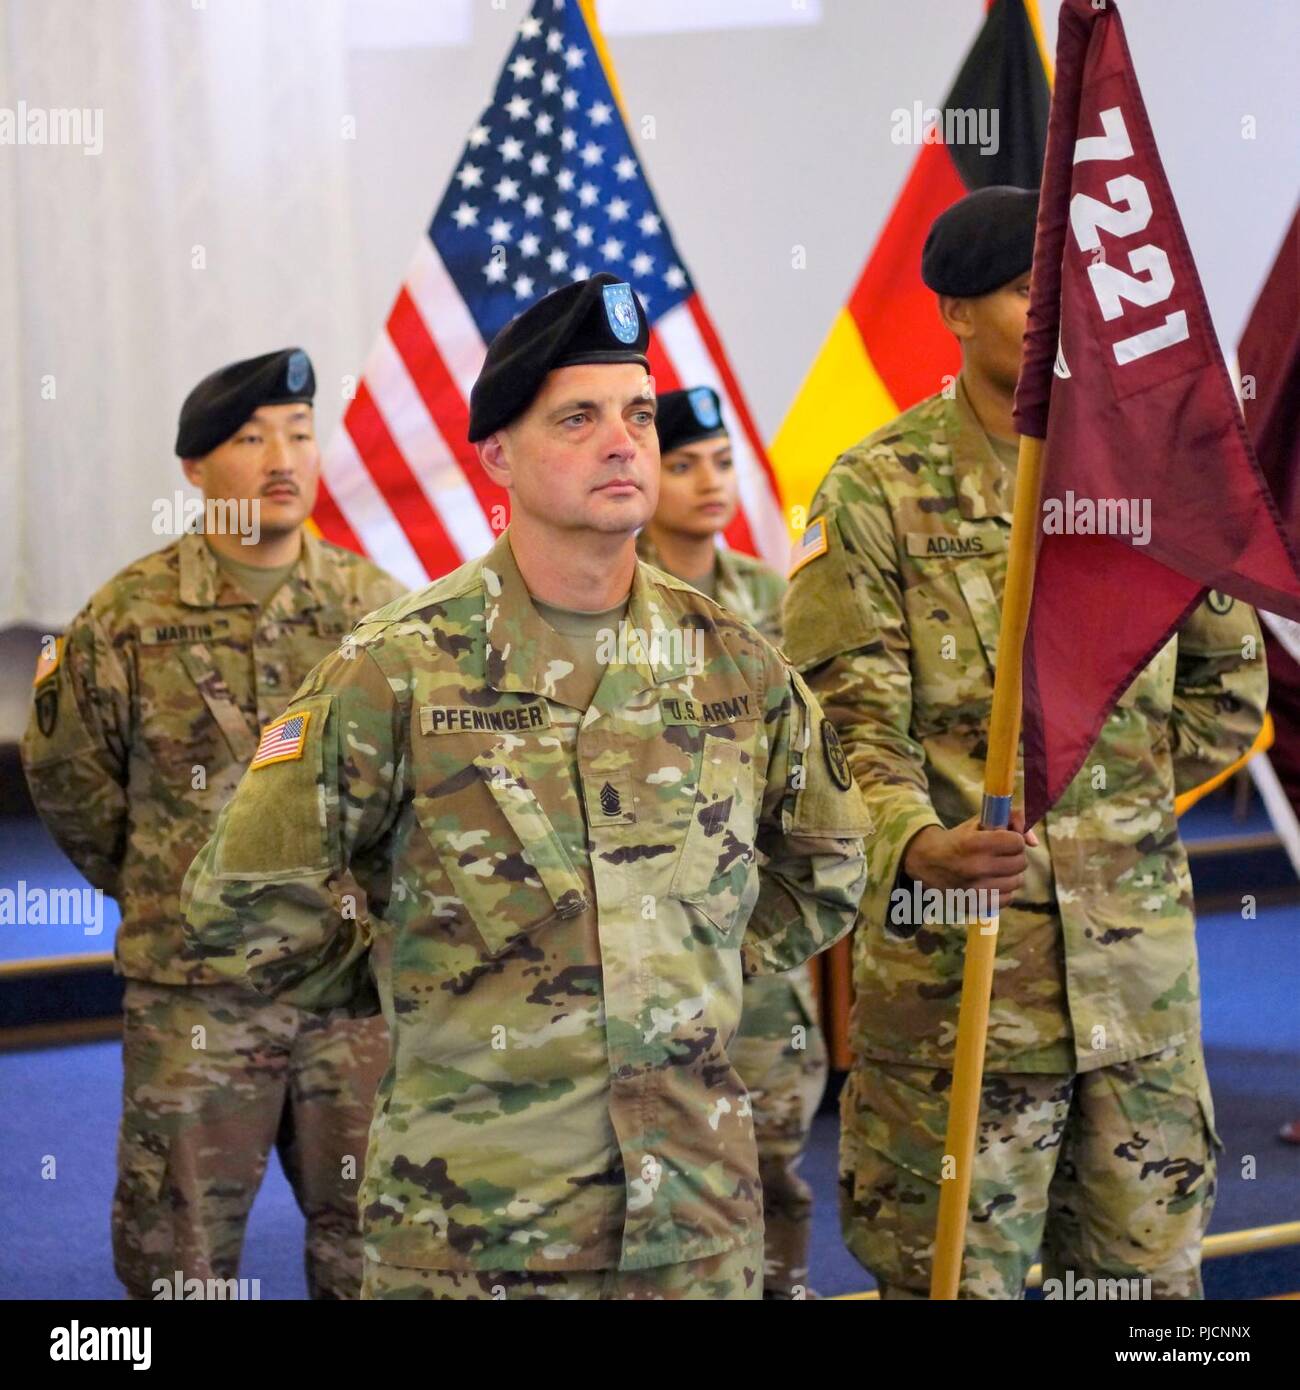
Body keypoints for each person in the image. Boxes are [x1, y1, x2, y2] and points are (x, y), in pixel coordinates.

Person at [181, 274, 871, 1301]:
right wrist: (409, 983)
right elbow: (240, 897)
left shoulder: (736, 660)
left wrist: (688, 954)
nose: (623, 442)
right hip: (474, 1226)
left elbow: (827, 861)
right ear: (498, 452)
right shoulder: (399, 666)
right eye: (579, 418)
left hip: (694, 1219)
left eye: (637, 413)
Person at [782, 187, 1268, 1300]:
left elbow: (1226, 690)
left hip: (1134, 987)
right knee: (955, 1284)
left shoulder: (1141, 477)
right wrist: (915, 841)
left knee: (1147, 1295)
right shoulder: (876, 490)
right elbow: (843, 722)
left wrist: (1097, 806)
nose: (1055, 314)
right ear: (955, 311)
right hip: (964, 986)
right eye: (1020, 291)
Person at [21, 348, 406, 1299]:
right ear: (195, 470)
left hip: (346, 986)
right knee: (179, 1245)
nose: (283, 456)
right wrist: (157, 880)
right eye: (250, 437)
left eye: (301, 433)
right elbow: (70, 779)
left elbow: (414, 786)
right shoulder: (127, 616)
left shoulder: (377, 612)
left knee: (376, 1235)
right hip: (196, 991)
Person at [637, 385, 829, 1299]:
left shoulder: (773, 595)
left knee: (775, 1155)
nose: (709, 481)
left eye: (721, 460)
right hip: (650, 936)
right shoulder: (614, 595)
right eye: (682, 462)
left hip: (756, 924)